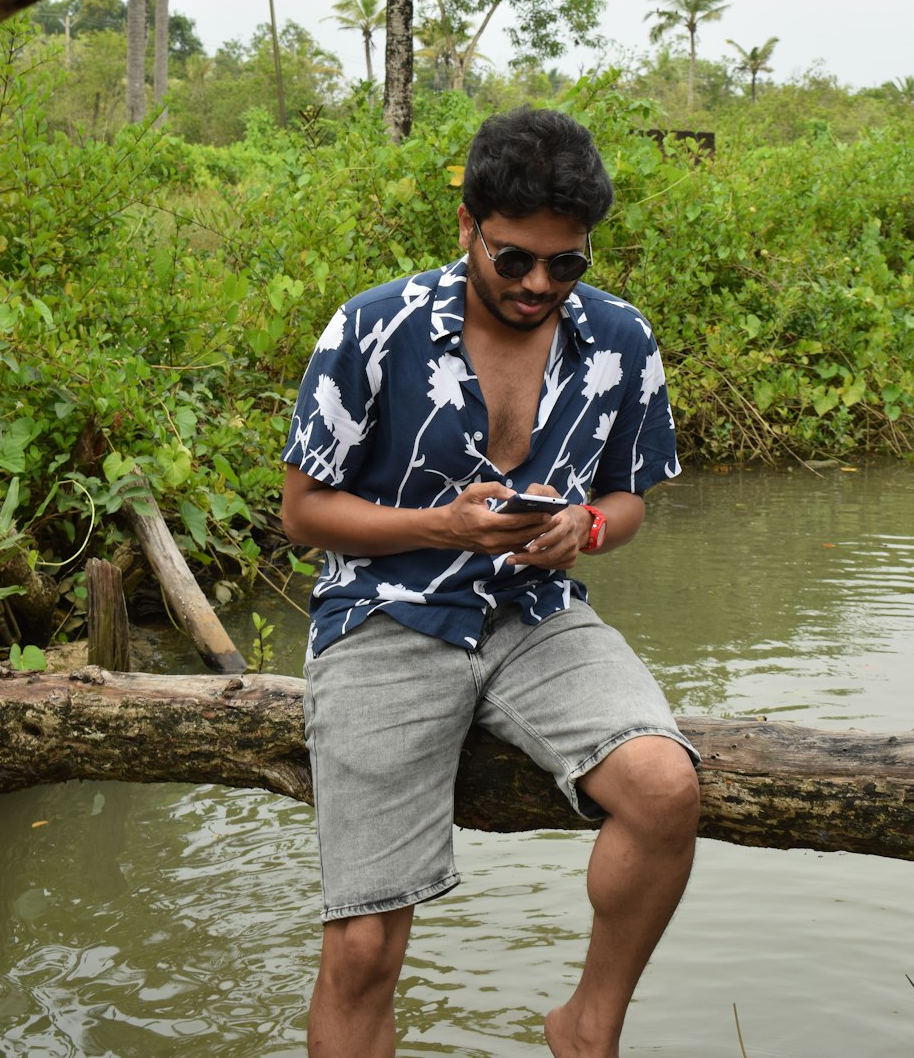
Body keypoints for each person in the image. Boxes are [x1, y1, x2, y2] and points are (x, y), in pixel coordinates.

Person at [280, 107, 700, 1058]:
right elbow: (302, 513)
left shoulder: (622, 340)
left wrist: (583, 528)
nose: (538, 284)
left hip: (538, 614)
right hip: (385, 616)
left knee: (666, 787)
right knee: (362, 947)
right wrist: (443, 524)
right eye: (514, 260)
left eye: (565, 265)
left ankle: (587, 1027)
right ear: (466, 223)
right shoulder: (375, 326)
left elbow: (631, 500)